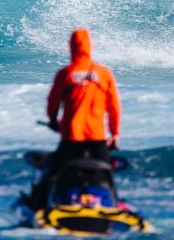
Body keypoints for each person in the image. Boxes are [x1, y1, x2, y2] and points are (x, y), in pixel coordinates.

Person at [31, 28, 121, 208]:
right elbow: (114, 107)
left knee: (53, 173)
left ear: (71, 47)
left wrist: (53, 121)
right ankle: (112, 205)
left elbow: (53, 103)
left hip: (72, 136)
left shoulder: (66, 73)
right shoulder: (104, 73)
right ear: (90, 47)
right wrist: (114, 133)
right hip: (97, 137)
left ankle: (39, 205)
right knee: (106, 174)